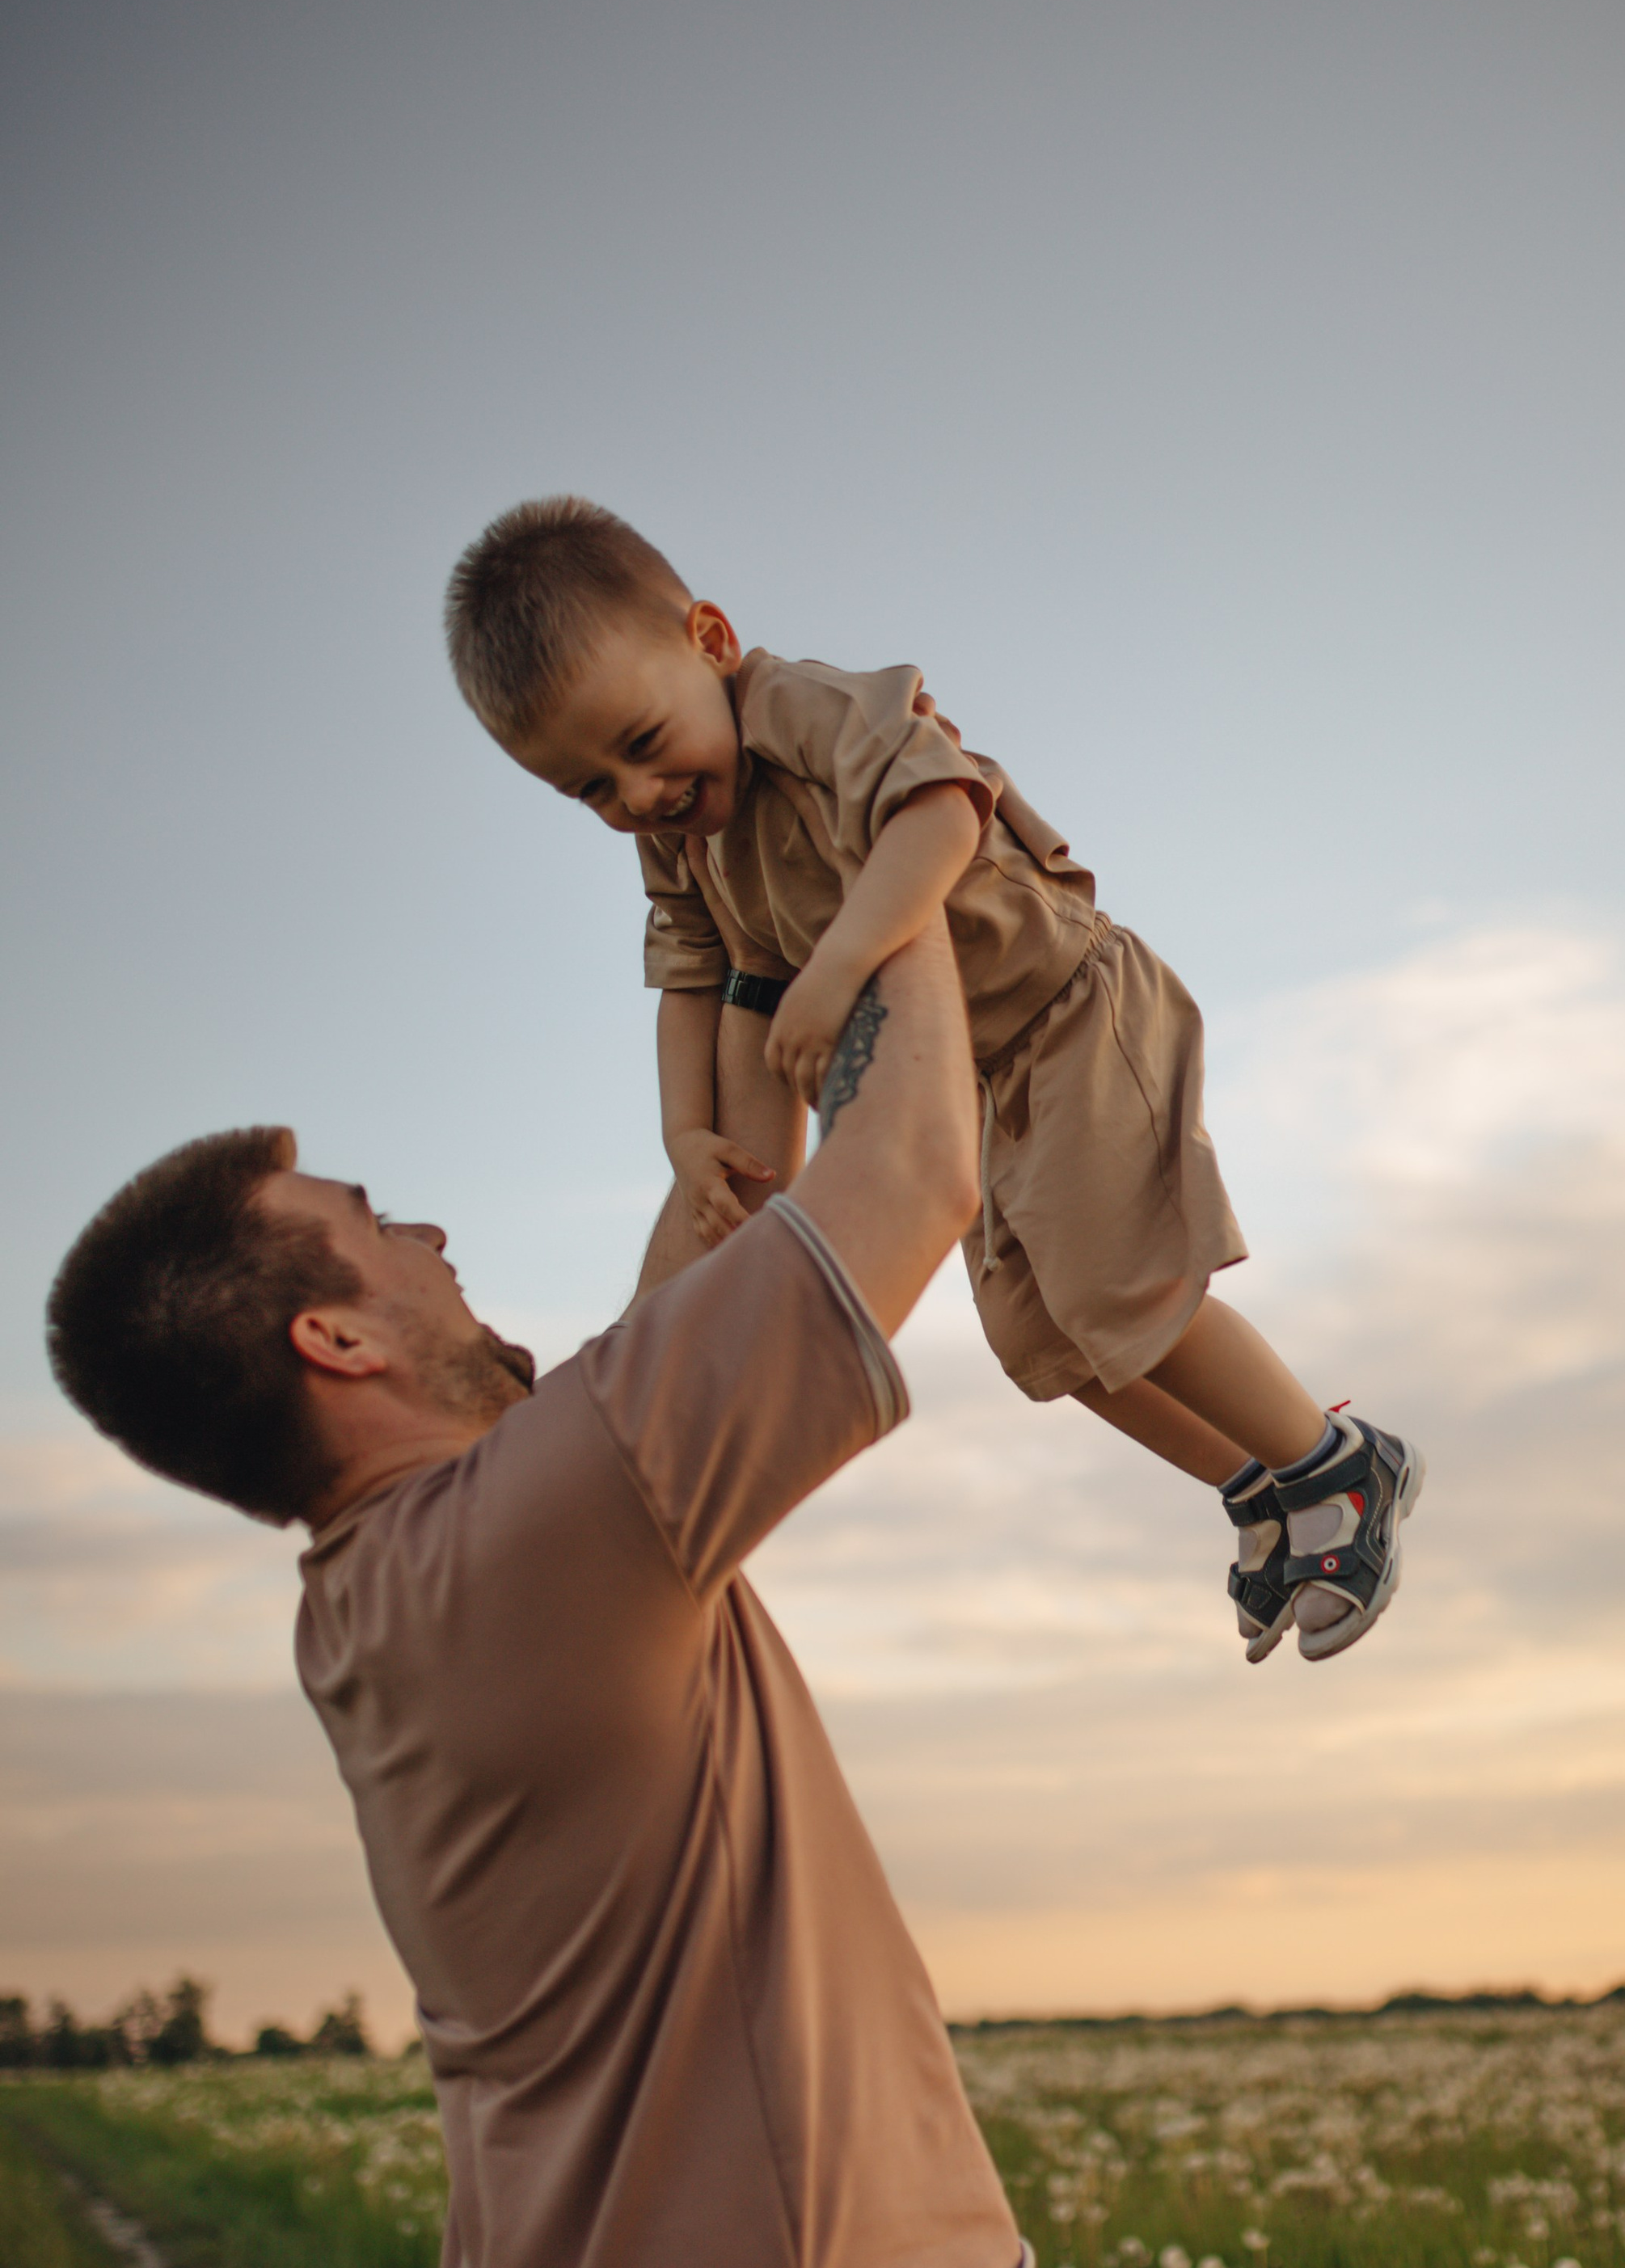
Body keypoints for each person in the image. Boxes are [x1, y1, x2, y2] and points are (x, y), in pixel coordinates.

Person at [45, 921, 1032, 2268]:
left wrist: (734, 1018)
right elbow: (912, 1173)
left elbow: (650, 1342)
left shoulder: (385, 1595)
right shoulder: (540, 1538)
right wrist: (901, 851)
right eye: (378, 1224)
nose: (432, 1237)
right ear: (334, 1341)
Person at [445, 495, 1425, 1665]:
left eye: (643, 745)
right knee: (1044, 1349)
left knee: (1120, 1295)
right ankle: (1259, 1489)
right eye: (589, 790)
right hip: (977, 1081)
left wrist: (845, 960)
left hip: (1069, 1008)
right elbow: (692, 980)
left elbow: (942, 806)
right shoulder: (683, 845)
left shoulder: (798, 709)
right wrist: (686, 1139)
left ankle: (1342, 1468)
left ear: (707, 641)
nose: (636, 796)